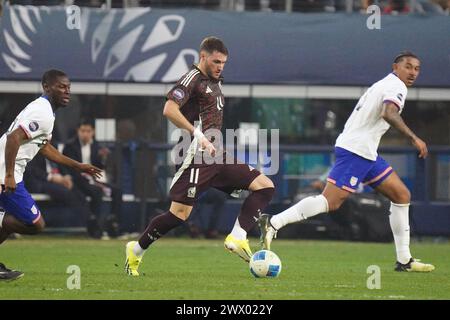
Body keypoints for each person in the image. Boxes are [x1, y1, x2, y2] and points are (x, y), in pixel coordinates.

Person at [259, 52, 435, 272]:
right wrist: (414, 137)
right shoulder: (396, 86)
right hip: (356, 151)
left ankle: (404, 261)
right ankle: (273, 222)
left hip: (366, 152)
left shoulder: (385, 84)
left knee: (401, 195)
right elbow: (389, 113)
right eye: (408, 67)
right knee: (330, 202)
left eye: (417, 69)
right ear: (395, 67)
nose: (413, 72)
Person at [125, 36, 275, 276]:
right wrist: (198, 134)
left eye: (224, 63)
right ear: (202, 56)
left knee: (265, 186)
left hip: (215, 154)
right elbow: (169, 109)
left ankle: (237, 237)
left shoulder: (215, 80)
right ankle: (136, 250)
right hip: (194, 153)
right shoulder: (191, 79)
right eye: (216, 61)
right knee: (179, 215)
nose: (220, 67)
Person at [0, 69, 102, 281]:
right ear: (47, 87)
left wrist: (77, 166)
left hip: (8, 171)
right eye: (61, 87)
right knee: (35, 224)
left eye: (69, 87)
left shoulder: (46, 110)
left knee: (21, 222)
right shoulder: (42, 111)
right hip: (5, 172)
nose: (67, 92)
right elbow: (12, 138)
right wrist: (9, 174)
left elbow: (44, 147)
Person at [62, 119, 123, 239]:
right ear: (78, 131)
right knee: (97, 191)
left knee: (117, 191)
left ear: (93, 132)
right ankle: (95, 227)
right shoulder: (70, 146)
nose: (85, 134)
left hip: (94, 179)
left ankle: (113, 223)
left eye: (88, 131)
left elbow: (99, 166)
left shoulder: (97, 146)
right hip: (78, 179)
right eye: (82, 131)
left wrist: (103, 159)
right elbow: (65, 165)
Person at [24, 151, 95, 232]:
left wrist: (66, 177)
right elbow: (32, 170)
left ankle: (86, 221)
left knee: (79, 194)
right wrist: (51, 177)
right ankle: (76, 223)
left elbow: (61, 165)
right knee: (66, 193)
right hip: (41, 182)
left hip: (58, 181)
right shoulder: (34, 149)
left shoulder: (52, 148)